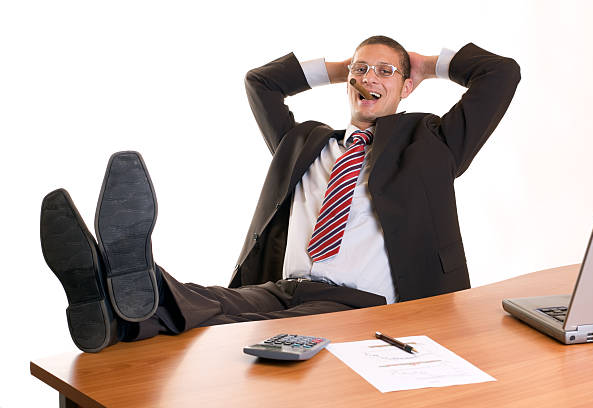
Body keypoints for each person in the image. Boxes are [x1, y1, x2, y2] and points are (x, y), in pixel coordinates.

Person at [40, 36, 520, 352]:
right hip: (285, 287)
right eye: (361, 69)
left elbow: (500, 73)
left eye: (384, 72)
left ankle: (113, 289)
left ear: (407, 86)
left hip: (363, 305)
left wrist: (423, 64)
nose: (368, 78)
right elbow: (262, 83)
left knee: (245, 336)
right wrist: (342, 67)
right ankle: (108, 293)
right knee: (209, 301)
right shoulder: (303, 144)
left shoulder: (429, 144)